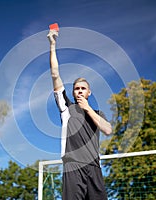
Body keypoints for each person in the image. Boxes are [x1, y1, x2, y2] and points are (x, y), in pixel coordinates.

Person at [47, 29, 112, 200]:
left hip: (94, 167)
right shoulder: (66, 108)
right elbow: (55, 74)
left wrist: (88, 109)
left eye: (83, 88)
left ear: (89, 92)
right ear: (73, 93)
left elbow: (107, 130)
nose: (80, 91)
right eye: (77, 89)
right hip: (73, 167)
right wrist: (52, 45)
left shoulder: (98, 114)